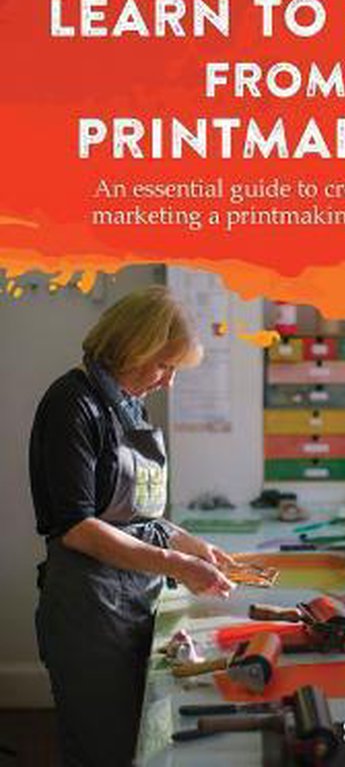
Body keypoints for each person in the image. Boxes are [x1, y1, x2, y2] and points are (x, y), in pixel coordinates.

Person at [29, 285, 234, 767]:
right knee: (106, 748)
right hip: (91, 610)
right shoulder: (72, 404)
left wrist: (193, 545)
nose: (169, 382)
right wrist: (174, 563)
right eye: (164, 365)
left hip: (138, 597)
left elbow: (138, 516)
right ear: (133, 347)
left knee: (146, 739)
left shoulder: (127, 403)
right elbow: (76, 526)